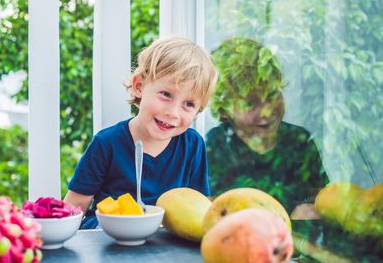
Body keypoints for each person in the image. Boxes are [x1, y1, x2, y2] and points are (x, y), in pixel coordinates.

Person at [64, 37, 218, 229]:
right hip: (110, 240)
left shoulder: (193, 145)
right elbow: (73, 209)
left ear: (198, 111)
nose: (173, 112)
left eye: (189, 104)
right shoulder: (106, 144)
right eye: (166, 94)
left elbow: (198, 208)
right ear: (139, 87)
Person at [206, 37, 329, 217]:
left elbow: (322, 197)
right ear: (225, 110)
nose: (267, 112)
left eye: (272, 95)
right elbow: (212, 206)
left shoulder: (300, 140)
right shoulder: (217, 144)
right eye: (250, 103)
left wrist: (311, 208)